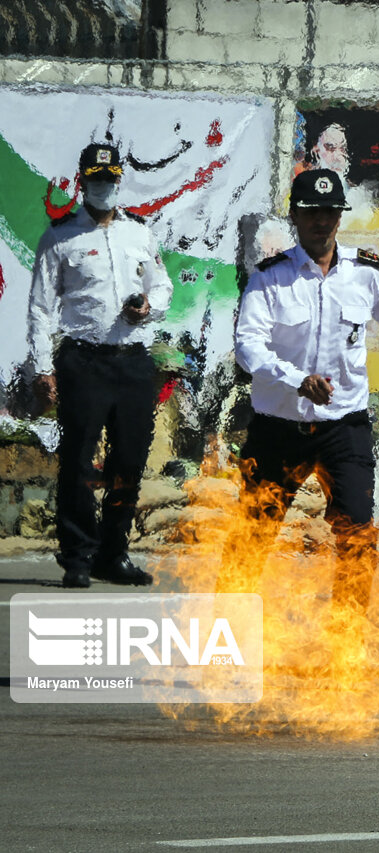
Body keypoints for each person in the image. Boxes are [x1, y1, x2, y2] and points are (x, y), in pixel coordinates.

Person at [222, 169, 379, 615]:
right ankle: (228, 632)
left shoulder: (366, 273)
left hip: (343, 427)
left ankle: (345, 639)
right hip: (278, 427)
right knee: (254, 533)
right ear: (294, 215)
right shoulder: (269, 278)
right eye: (312, 213)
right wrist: (297, 378)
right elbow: (247, 347)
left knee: (357, 532)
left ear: (340, 217)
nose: (322, 222)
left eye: (330, 213)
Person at [26, 142, 174, 588]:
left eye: (110, 179)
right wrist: (41, 368)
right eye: (95, 179)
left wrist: (149, 305)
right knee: (78, 461)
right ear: (82, 181)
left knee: (128, 460)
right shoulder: (59, 237)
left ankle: (114, 553)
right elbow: (40, 309)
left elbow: (163, 285)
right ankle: (77, 555)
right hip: (83, 361)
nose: (103, 186)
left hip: (132, 362)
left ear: (119, 181)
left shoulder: (140, 234)